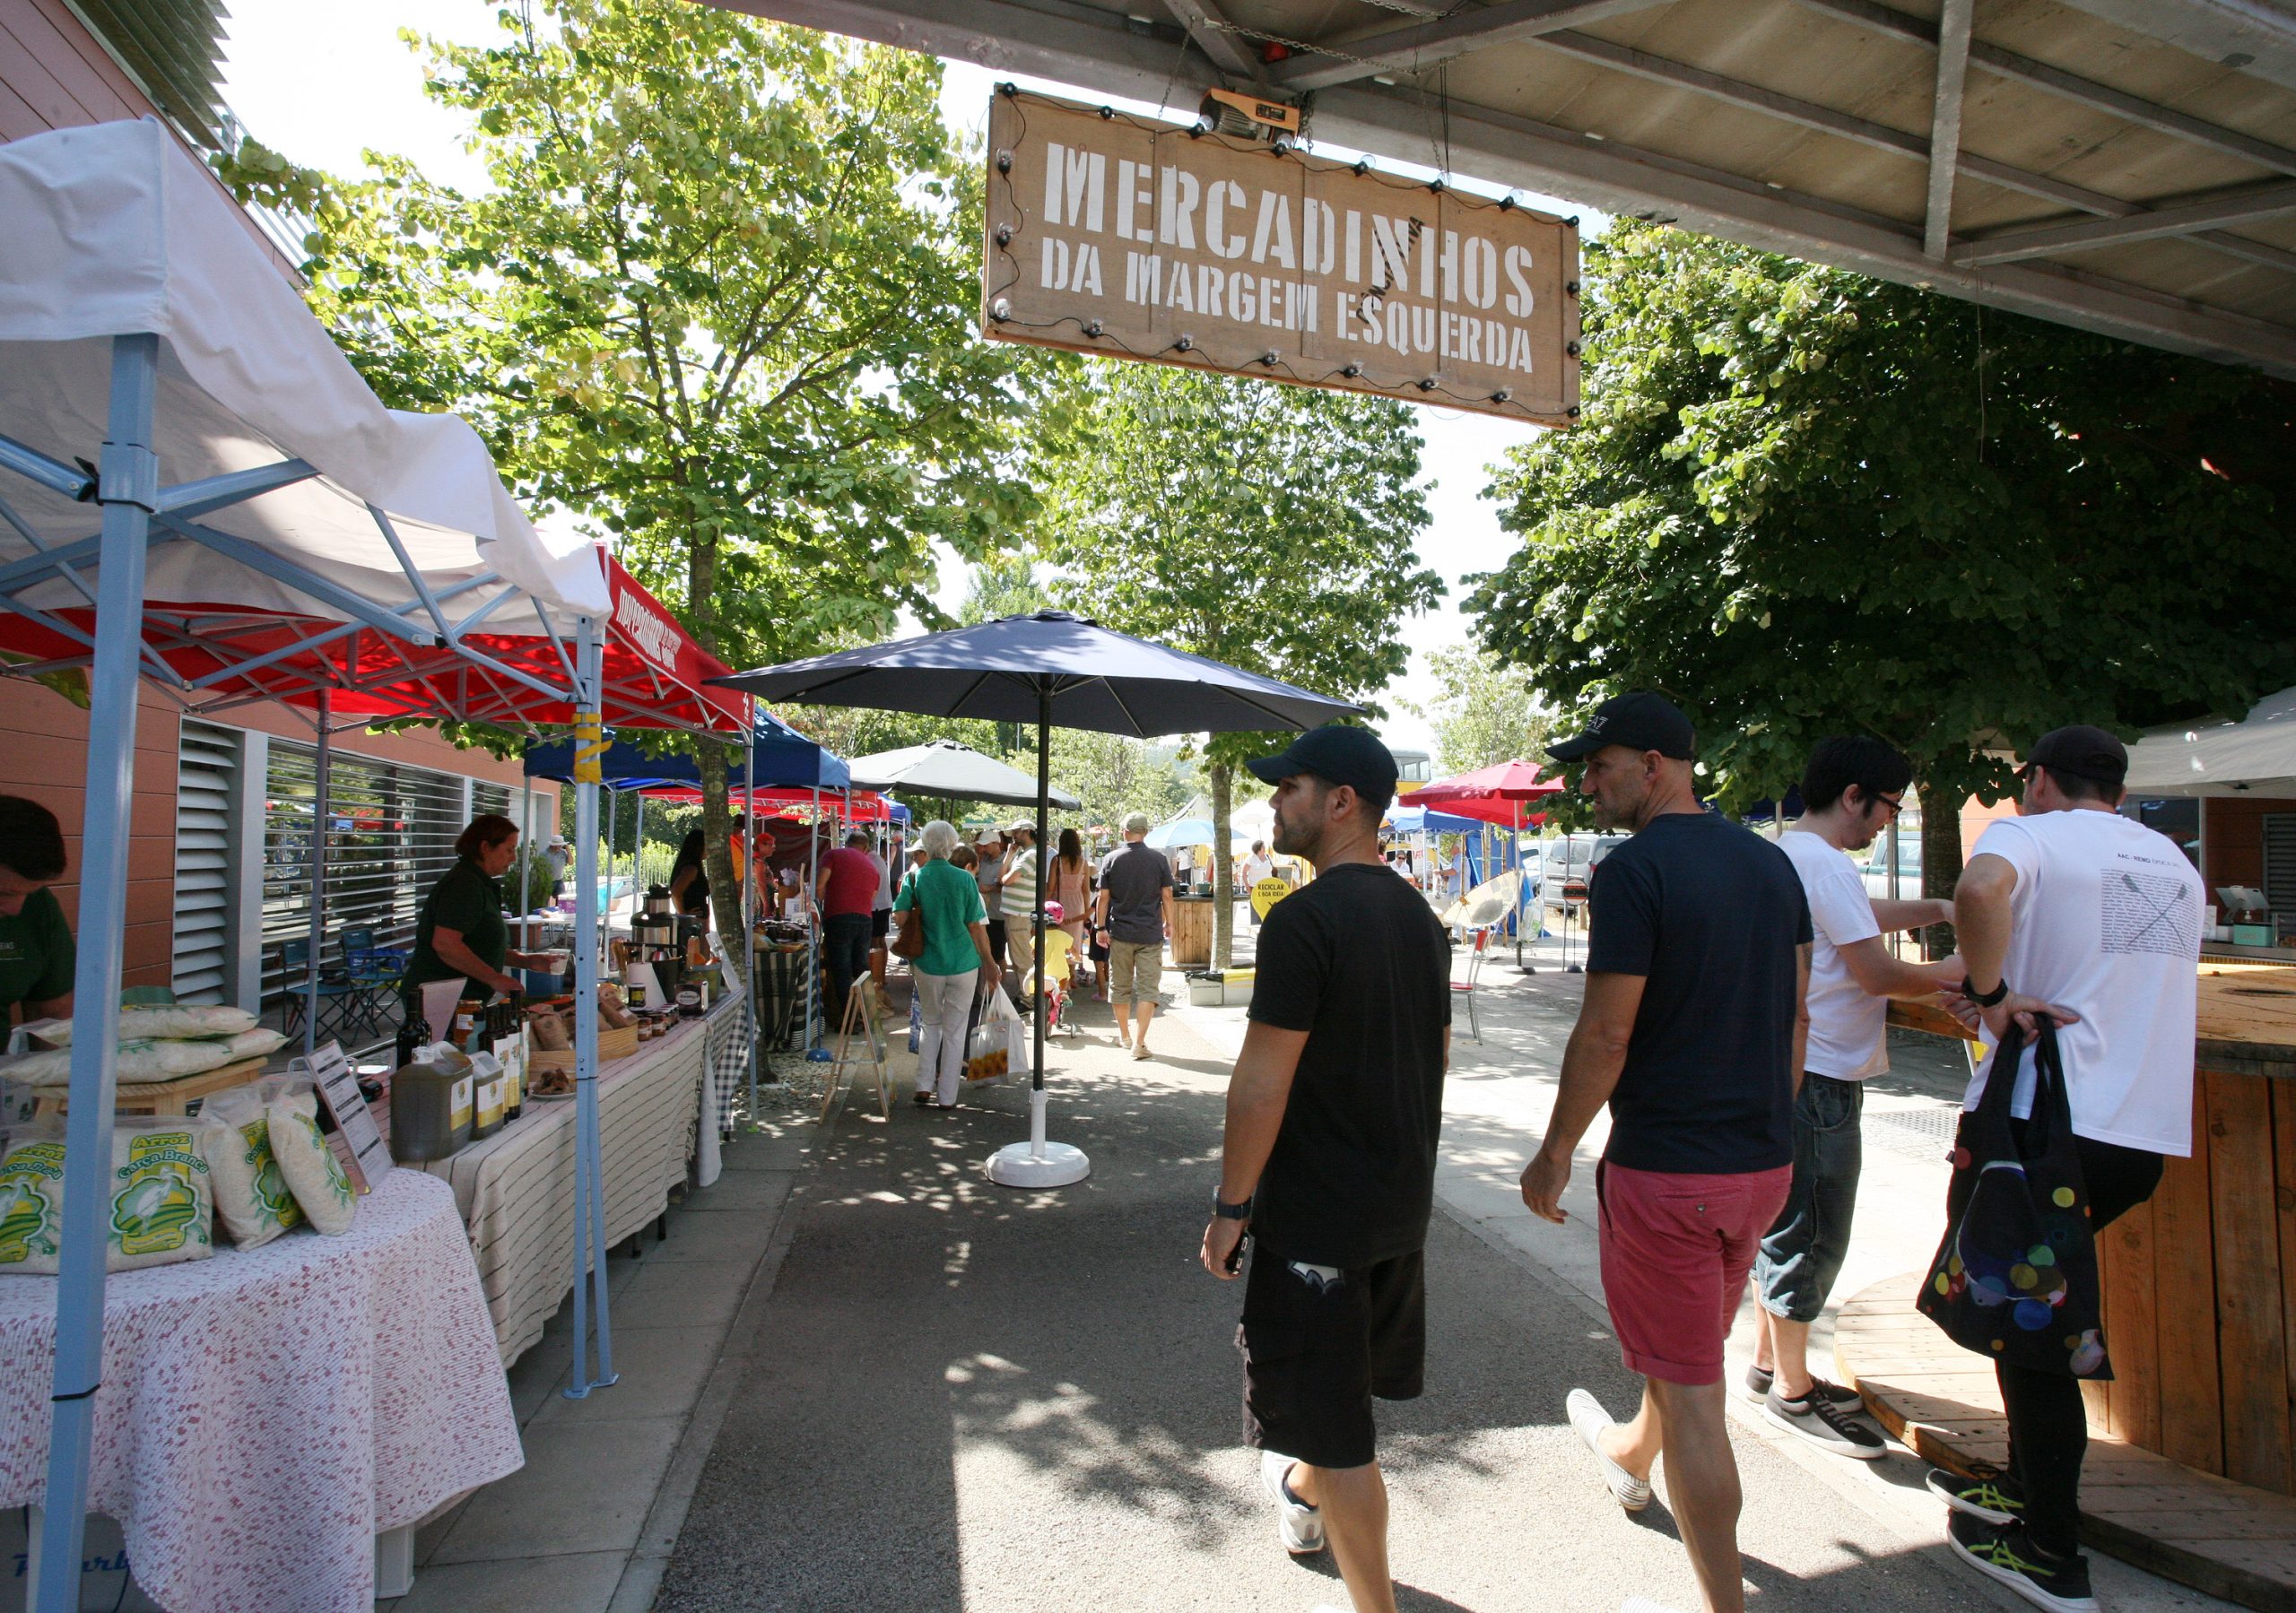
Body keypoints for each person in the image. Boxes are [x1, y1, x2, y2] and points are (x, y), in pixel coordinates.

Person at [1519, 693, 1811, 1613]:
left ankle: (1725, 1601)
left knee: (1695, 1394)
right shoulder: (1772, 866)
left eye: (1599, 764)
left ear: (1655, 764)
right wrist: (1766, 1117)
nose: (1586, 782)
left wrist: (1555, 1148)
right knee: (1686, 1353)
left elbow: (1607, 1031)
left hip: (1667, 1171)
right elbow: (1799, 1015)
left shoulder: (1634, 871)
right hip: (1762, 1165)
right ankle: (1628, 1453)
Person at [1935, 725, 2200, 1613]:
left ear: (2037, 779)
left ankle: (2050, 1551)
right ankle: (2023, 1488)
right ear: (2117, 790)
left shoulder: (2029, 833)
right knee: (2028, 1316)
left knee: (2028, 1329)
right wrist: (1992, 982)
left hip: (2040, 1133)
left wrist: (1986, 992)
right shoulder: (2170, 857)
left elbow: (1977, 885)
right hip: (2138, 1138)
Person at [1200, 725, 1449, 1613]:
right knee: (1329, 1406)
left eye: (1290, 785)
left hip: (1320, 1223)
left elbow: (1261, 1080)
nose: (1275, 799)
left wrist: (1231, 1204)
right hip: (1397, 1210)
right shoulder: (1418, 916)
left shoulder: (1303, 919)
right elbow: (1432, 1056)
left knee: (1343, 1436)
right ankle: (1301, 1493)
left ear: (1342, 800)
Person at [1749, 738, 1963, 1460]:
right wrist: (1965, 973)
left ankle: (1773, 1363)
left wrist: (1936, 905)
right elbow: (1874, 971)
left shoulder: (1788, 852)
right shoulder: (1826, 863)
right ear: (1854, 796)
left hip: (1790, 1067)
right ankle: (1794, 1394)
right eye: (1889, 808)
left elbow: (1855, 916)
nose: (1884, 823)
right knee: (1813, 1231)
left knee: (1782, 1220)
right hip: (1825, 1074)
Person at [404, 813, 561, 1016]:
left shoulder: (479, 883)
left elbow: (479, 946)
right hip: (439, 998)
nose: (513, 858)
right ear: (485, 848)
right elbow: (446, 944)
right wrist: (495, 978)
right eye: (509, 850)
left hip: (462, 999)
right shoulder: (464, 885)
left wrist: (525, 961)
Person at [893, 820, 1001, 1109]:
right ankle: (948, 1096)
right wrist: (990, 963)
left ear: (925, 846)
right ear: (952, 845)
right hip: (964, 962)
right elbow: (977, 927)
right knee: (955, 1030)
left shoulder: (914, 877)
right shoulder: (965, 879)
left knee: (930, 1023)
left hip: (927, 962)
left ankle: (923, 1084)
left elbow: (900, 918)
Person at [1094, 812, 1176, 1061]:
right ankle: (1139, 1043)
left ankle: (1125, 1036)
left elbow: (1103, 898)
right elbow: (1167, 895)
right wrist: (1169, 923)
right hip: (1150, 933)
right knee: (1148, 989)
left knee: (1120, 987)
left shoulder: (1111, 859)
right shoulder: (1159, 860)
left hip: (1120, 932)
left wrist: (1100, 928)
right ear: (1146, 832)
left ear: (1124, 832)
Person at [0, 795, 74, 1027]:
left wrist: (51, 1062)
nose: (15, 909)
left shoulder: (38, 907)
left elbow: (52, 1012)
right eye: (4, 893)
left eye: (30, 893)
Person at [815, 829, 879, 1028]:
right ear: (866, 848)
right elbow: (871, 898)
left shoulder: (833, 855)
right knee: (861, 967)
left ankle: (849, 1019)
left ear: (847, 842)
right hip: (864, 919)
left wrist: (817, 910)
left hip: (839, 917)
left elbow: (820, 885)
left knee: (841, 969)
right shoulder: (873, 867)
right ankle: (867, 1015)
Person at [1000, 820, 1041, 1003]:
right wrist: (1009, 855)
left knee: (1021, 958)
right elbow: (1001, 877)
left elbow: (1005, 880)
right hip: (1014, 912)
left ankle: (1030, 998)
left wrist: (1008, 860)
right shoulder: (1023, 854)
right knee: (1018, 957)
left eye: (1016, 832)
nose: (1014, 837)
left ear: (1027, 832)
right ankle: (1025, 994)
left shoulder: (1030, 855)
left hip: (1018, 912)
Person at [1051, 828, 1093, 986]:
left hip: (1058, 904)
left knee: (1058, 939)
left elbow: (1050, 887)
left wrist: (1045, 902)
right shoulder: (1083, 863)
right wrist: (1086, 911)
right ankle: (1071, 976)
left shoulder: (1057, 861)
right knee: (1074, 941)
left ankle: (1063, 980)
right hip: (1078, 904)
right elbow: (1086, 890)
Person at [973, 830, 1007, 967]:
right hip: (983, 914)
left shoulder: (1006, 862)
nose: (984, 848)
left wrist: (991, 888)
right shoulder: (983, 861)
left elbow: (1008, 886)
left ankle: (999, 987)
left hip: (998, 915)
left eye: (986, 845)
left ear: (995, 844)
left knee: (998, 955)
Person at [1240, 839, 1275, 927]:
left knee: (1268, 909)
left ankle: (1268, 927)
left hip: (1268, 888)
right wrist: (1247, 887)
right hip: (1255, 888)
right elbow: (1243, 873)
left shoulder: (1268, 857)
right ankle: (1256, 927)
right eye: (1263, 846)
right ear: (1258, 848)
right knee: (1256, 910)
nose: (1265, 848)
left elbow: (1273, 869)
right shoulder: (1251, 858)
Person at [543, 835, 570, 902]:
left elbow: (571, 862)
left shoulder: (563, 852)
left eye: (561, 845)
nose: (560, 847)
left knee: (562, 901)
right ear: (553, 845)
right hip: (548, 881)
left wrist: (568, 849)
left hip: (559, 881)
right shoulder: (544, 854)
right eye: (559, 845)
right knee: (544, 901)